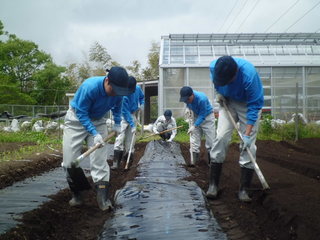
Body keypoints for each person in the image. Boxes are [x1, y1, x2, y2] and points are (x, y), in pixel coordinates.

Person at [62, 66, 135, 211]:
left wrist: (117, 123)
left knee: (100, 160)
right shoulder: (90, 87)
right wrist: (94, 134)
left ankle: (103, 199)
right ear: (107, 81)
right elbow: (81, 112)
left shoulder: (118, 92)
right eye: (113, 90)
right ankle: (77, 194)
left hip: (99, 120)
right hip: (76, 120)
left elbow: (117, 107)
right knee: (69, 162)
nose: (116, 94)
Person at [207, 56, 264, 202]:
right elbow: (216, 83)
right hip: (228, 102)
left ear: (235, 74)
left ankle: (243, 189)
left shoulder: (249, 76)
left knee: (248, 145)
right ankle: (213, 185)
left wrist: (247, 134)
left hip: (247, 105)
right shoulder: (214, 67)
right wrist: (219, 93)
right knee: (221, 137)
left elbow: (254, 106)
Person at [112, 77, 145, 169]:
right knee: (120, 137)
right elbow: (125, 112)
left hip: (132, 114)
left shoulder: (137, 89)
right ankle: (116, 163)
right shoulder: (123, 95)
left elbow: (142, 97)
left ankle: (128, 161)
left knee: (131, 140)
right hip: (122, 116)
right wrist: (132, 124)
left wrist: (142, 104)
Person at [179, 86, 216, 166]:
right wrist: (188, 109)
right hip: (195, 116)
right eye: (185, 100)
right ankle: (194, 164)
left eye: (187, 99)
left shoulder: (202, 99)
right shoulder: (187, 98)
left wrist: (194, 126)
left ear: (192, 95)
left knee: (211, 141)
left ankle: (212, 164)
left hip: (207, 117)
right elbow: (188, 104)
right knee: (194, 141)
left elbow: (202, 115)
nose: (187, 101)